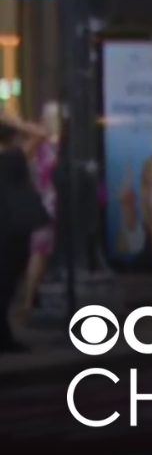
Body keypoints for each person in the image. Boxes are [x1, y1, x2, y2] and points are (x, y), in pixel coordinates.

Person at [0, 118, 51, 353]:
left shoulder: (13, 157)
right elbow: (41, 132)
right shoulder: (14, 157)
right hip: (13, 229)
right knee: (8, 283)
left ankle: (4, 336)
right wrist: (13, 120)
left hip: (10, 228)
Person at [21, 102, 60, 316]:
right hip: (49, 203)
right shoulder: (50, 145)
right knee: (40, 252)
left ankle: (32, 297)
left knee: (41, 252)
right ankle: (29, 299)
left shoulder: (41, 145)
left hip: (44, 201)